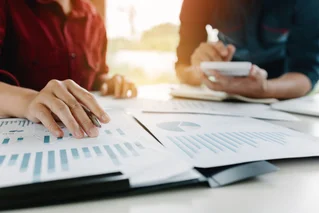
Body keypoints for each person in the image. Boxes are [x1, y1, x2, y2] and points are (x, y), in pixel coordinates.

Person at [0, 0, 137, 139]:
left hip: (80, 139)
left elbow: (97, 75)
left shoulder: (93, 17)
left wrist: (108, 82)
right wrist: (30, 101)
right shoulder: (7, 6)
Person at [176, 0, 319, 99]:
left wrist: (266, 89)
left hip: (281, 82)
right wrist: (200, 69)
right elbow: (183, 66)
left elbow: (306, 72)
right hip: (226, 77)